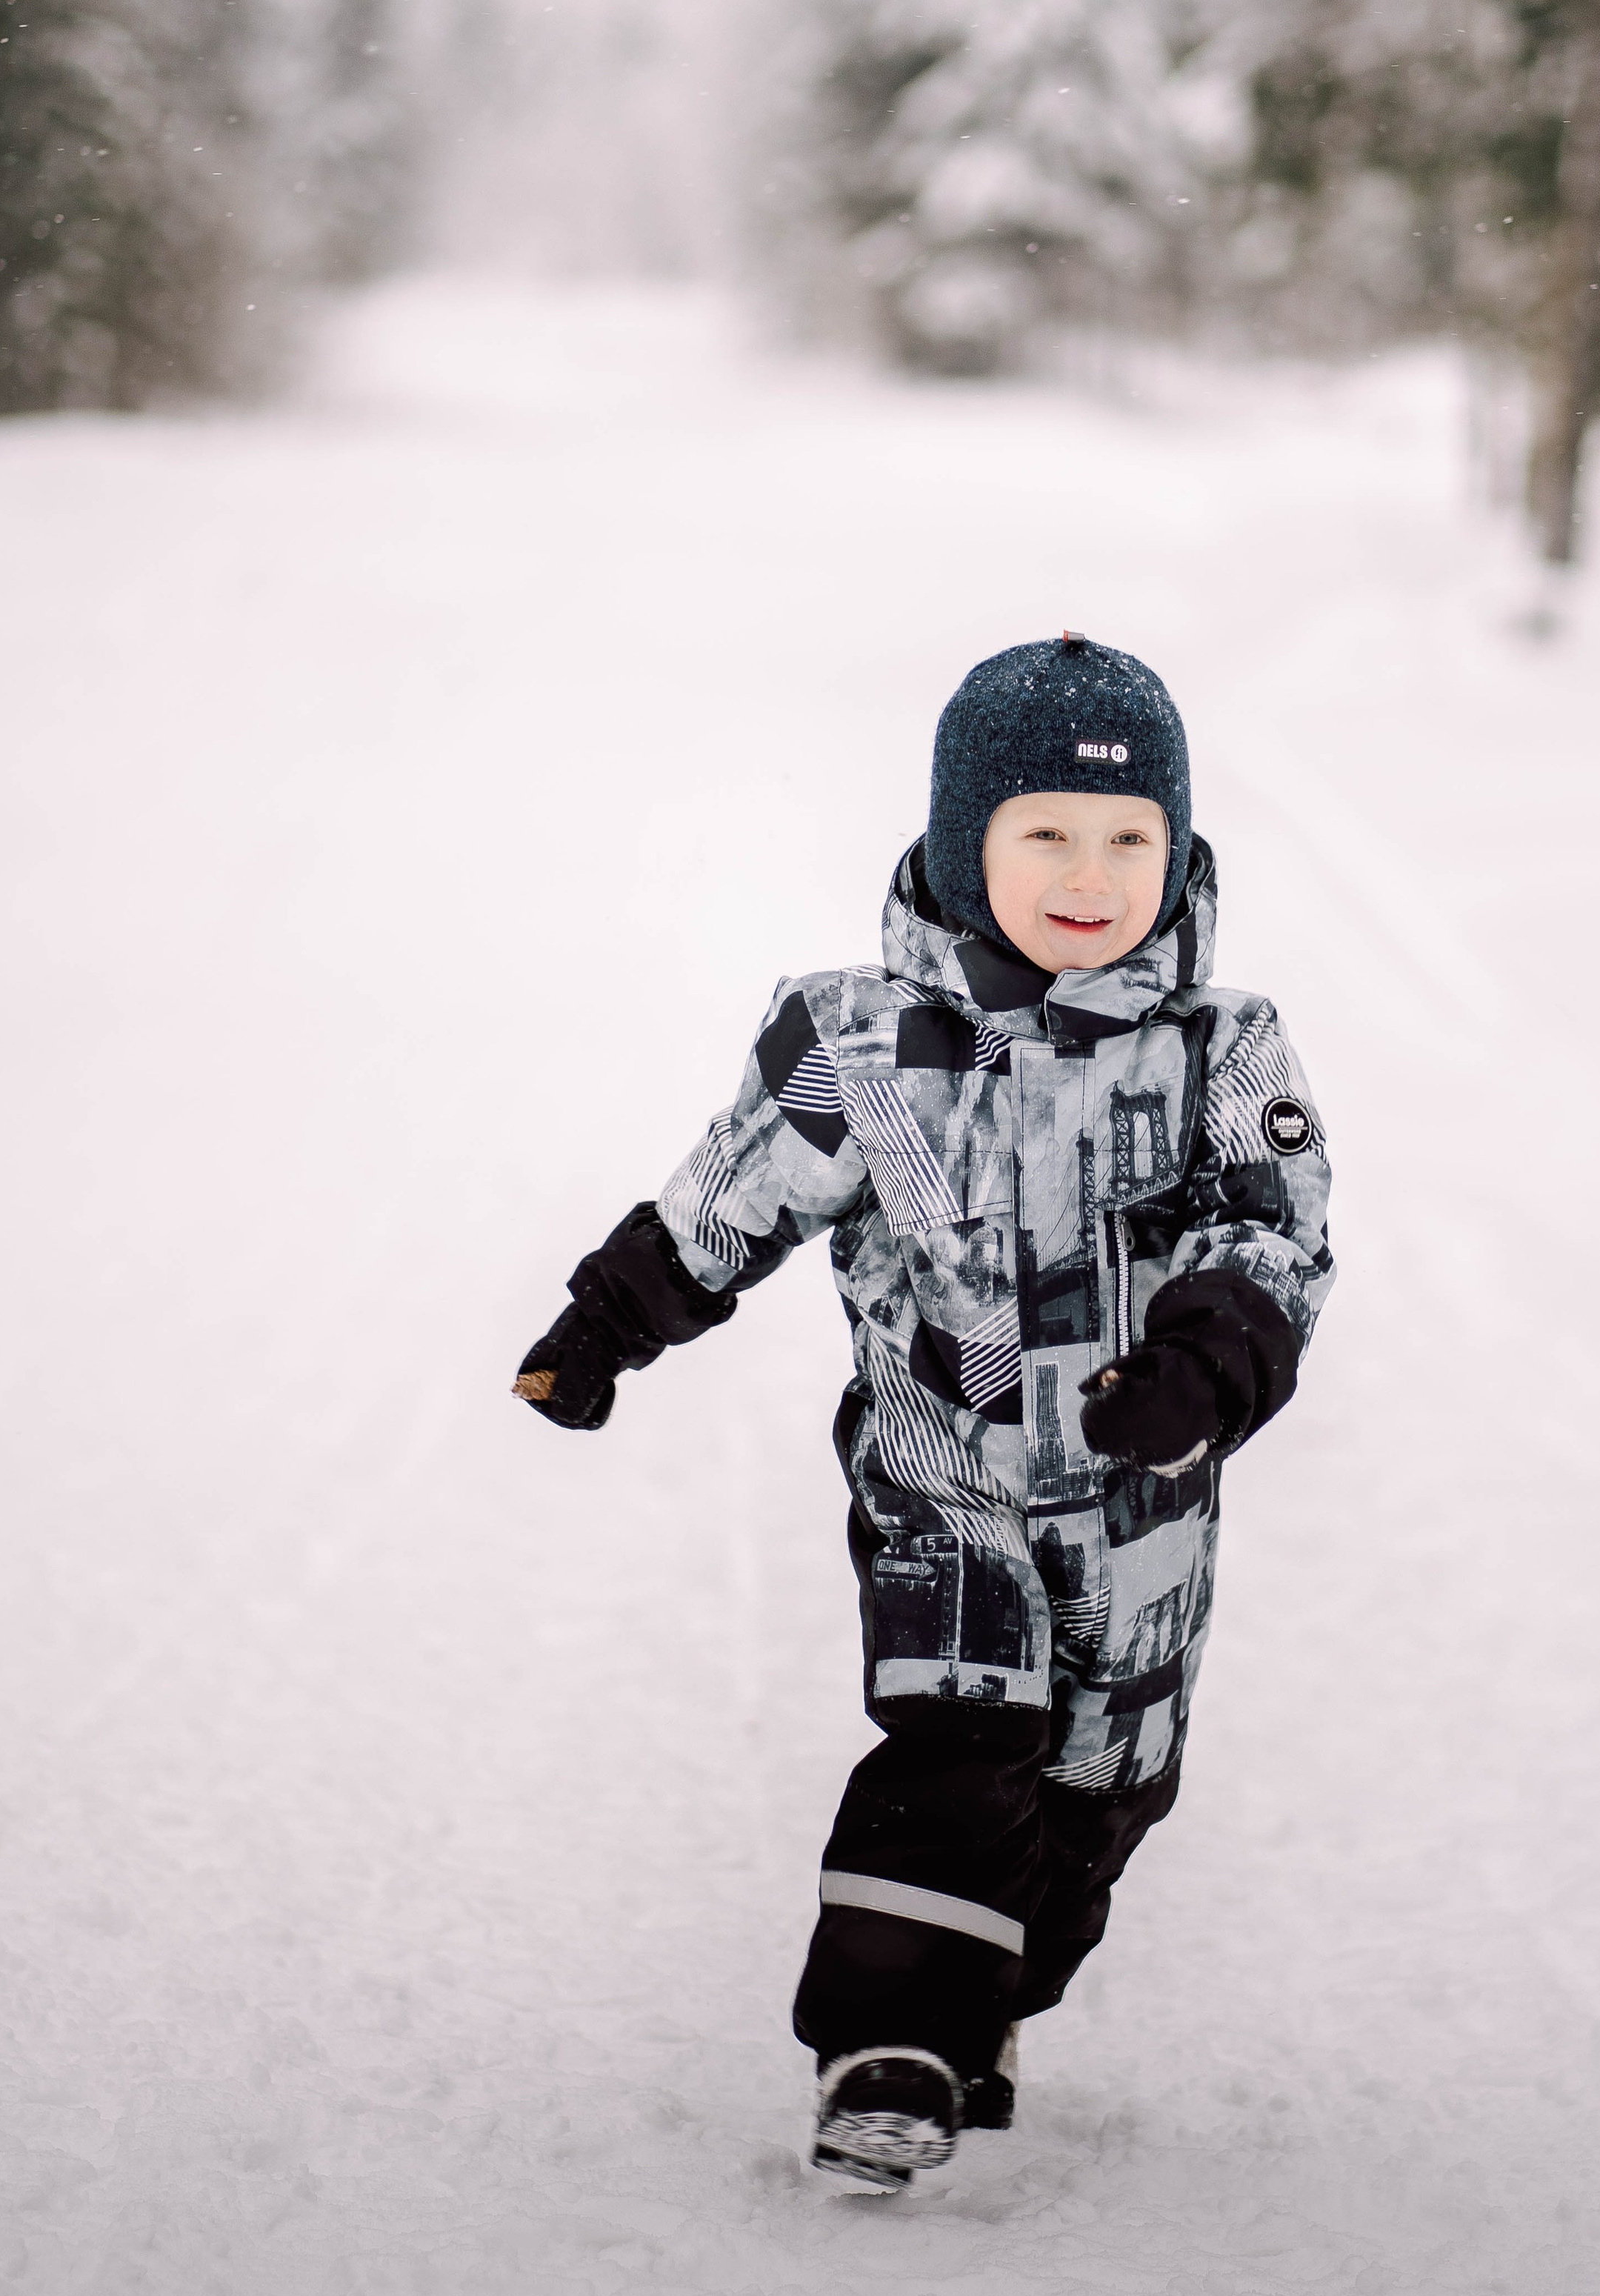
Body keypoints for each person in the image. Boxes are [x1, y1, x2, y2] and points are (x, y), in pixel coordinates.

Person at [513, 636, 1334, 2187]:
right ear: (966, 844)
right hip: (938, 1481)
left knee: (1098, 1791)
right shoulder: (864, 1046)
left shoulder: (1221, 1051)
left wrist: (1206, 1360)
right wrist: (609, 1323)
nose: (1087, 876)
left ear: (1177, 851)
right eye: (1042, 836)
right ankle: (887, 2046)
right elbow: (732, 1196)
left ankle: (991, 1994)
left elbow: (1272, 1234)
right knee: (961, 1736)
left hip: (1137, 1514)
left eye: (1127, 841)